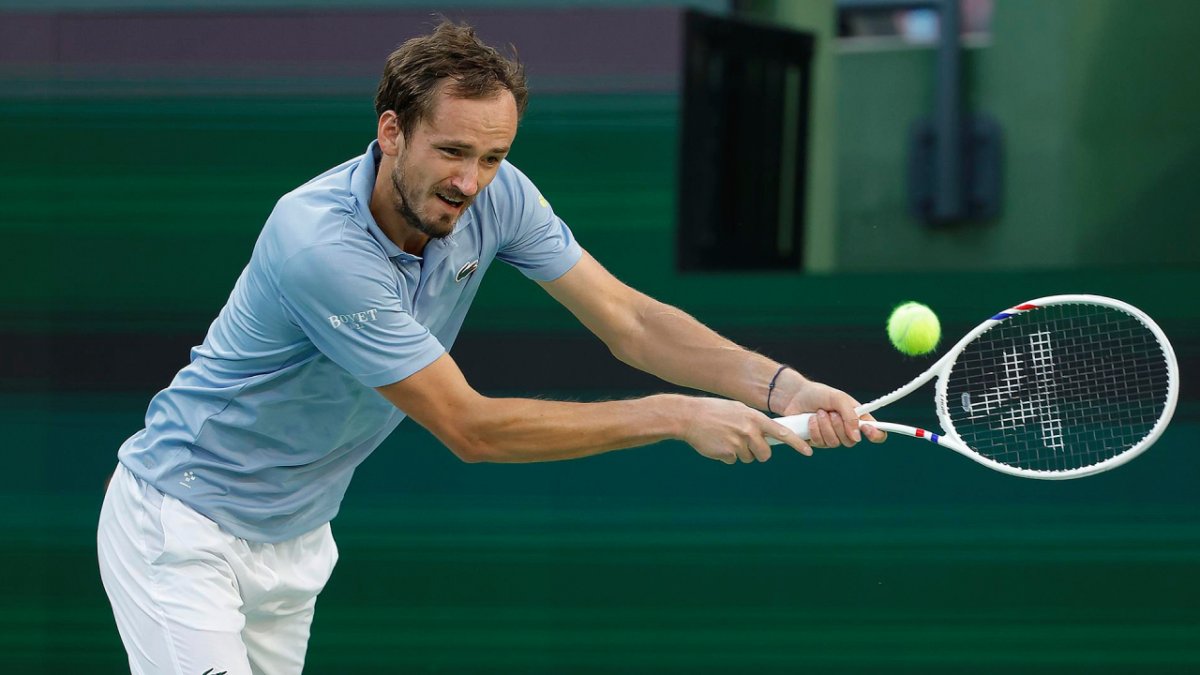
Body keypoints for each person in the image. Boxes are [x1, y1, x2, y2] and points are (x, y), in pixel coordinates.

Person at [97, 19, 885, 675]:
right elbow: (469, 427)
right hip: (185, 523)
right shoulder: (321, 247)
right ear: (391, 131)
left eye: (492, 157)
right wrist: (677, 416)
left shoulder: (498, 196)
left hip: (296, 535)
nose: (471, 182)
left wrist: (782, 387)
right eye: (452, 152)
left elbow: (631, 322)